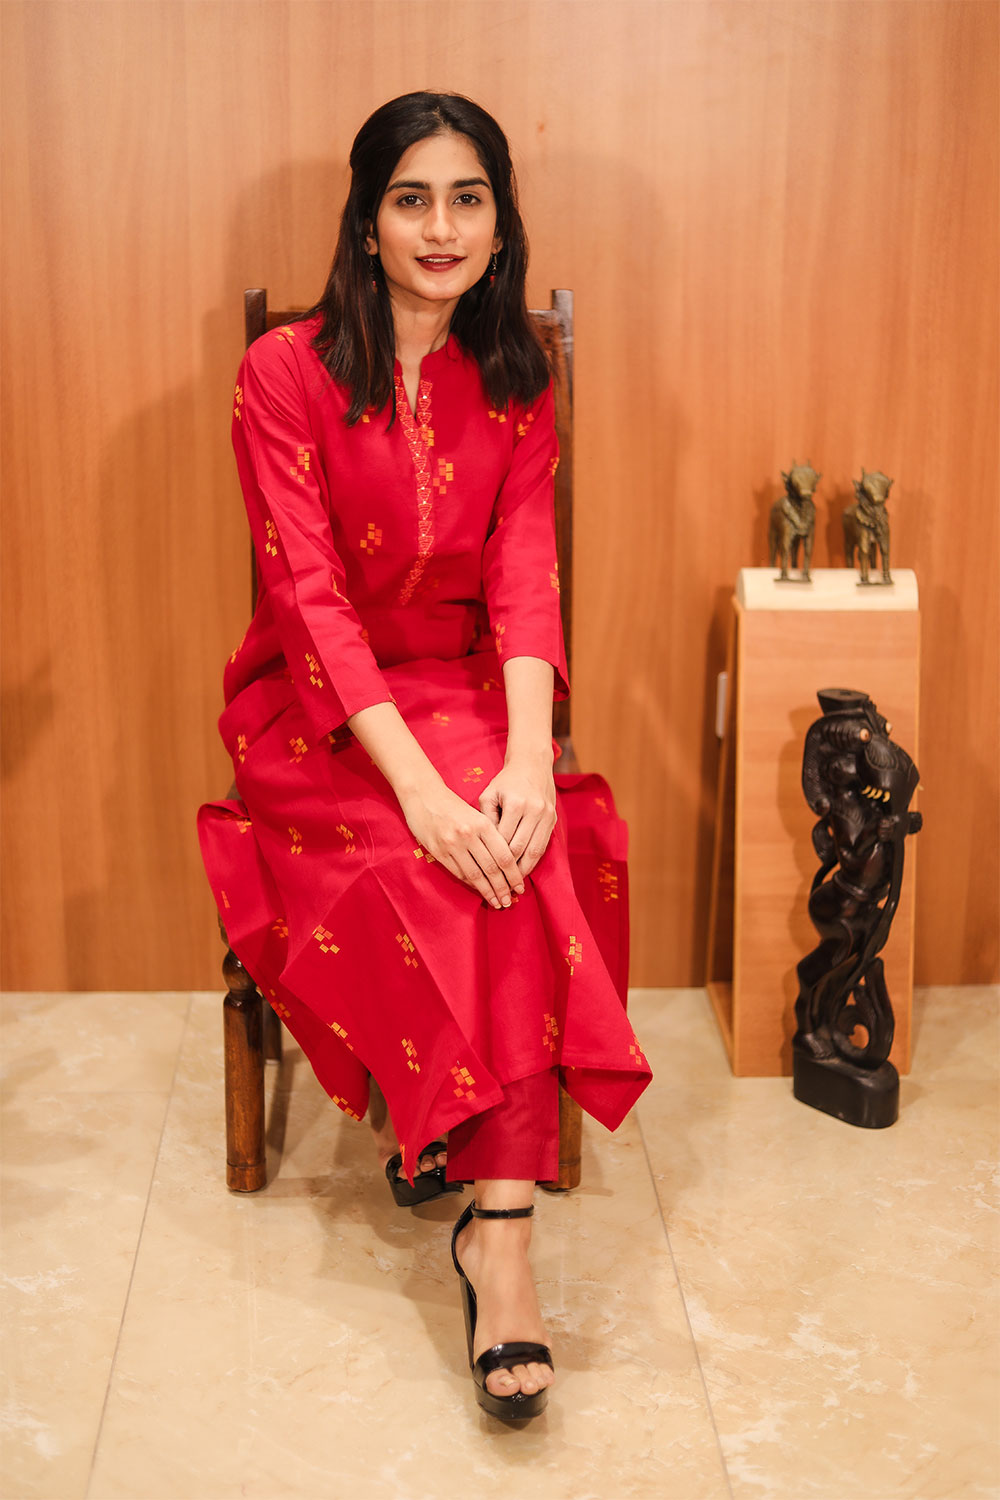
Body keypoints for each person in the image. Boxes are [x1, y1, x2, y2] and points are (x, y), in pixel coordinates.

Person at [198, 91, 651, 1421]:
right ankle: (481, 1198)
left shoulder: (516, 373)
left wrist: (526, 757)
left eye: (468, 198)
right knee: (436, 851)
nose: (441, 227)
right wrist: (423, 788)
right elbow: (308, 598)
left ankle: (495, 1234)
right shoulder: (284, 370)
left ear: (501, 223)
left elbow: (525, 576)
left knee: (531, 838)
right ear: (368, 221)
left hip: (470, 688)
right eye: (412, 199)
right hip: (317, 707)